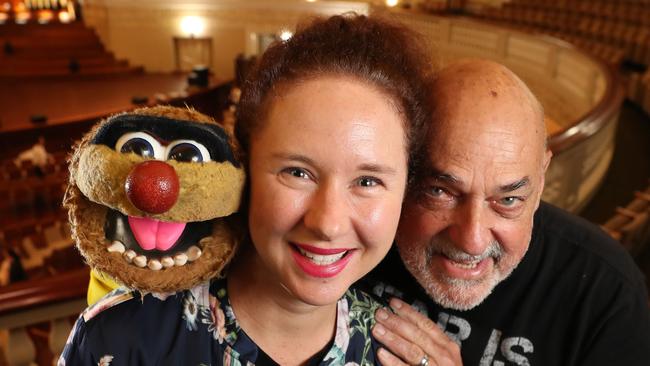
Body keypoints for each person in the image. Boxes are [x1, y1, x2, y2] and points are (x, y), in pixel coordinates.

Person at [59, 13, 434, 365]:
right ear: (246, 166)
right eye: (297, 172)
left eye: (368, 181)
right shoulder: (119, 338)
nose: (328, 223)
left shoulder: (403, 354)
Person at [368, 59, 650, 365]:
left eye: (508, 200)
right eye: (441, 192)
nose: (472, 241)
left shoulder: (604, 291)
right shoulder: (357, 240)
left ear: (541, 180)